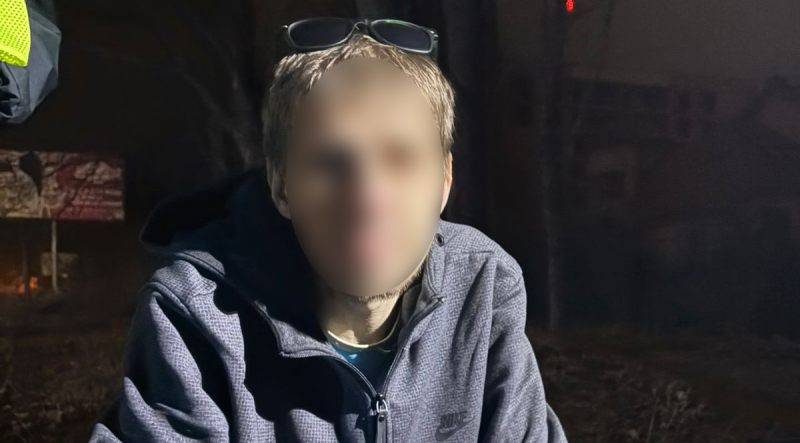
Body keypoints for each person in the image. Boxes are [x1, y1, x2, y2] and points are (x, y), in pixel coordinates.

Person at [90, 17, 568, 443]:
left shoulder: (484, 288)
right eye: (329, 164)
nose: (368, 199)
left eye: (401, 160)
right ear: (281, 186)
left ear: (444, 182)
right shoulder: (197, 314)